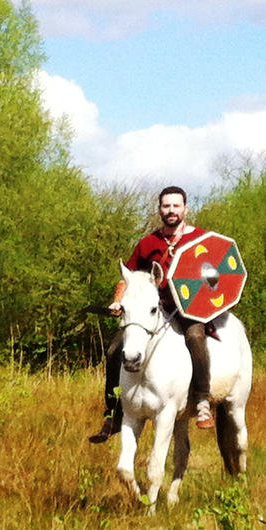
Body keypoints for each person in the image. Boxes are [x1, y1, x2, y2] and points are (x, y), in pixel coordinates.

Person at [88, 185, 213, 443]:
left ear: (185, 209)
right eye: (166, 206)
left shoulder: (201, 240)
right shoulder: (148, 243)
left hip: (186, 311)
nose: (171, 210)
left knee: (196, 338)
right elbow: (128, 278)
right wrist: (117, 301)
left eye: (176, 205)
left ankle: (201, 401)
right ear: (159, 209)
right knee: (114, 351)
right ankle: (113, 412)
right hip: (153, 311)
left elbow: (215, 276)